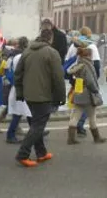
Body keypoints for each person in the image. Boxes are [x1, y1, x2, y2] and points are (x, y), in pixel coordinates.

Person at [14, 29, 66, 167]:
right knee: (38, 126)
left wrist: (20, 92)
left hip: (29, 95)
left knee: (36, 124)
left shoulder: (27, 51)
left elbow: (18, 74)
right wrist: (61, 97)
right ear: (50, 38)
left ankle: (41, 153)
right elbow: (58, 78)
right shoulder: (52, 53)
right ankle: (22, 154)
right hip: (43, 95)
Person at [65, 26, 101, 137]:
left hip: (77, 80)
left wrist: (72, 79)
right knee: (90, 104)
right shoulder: (92, 47)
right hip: (88, 81)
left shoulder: (72, 46)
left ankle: (75, 129)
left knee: (78, 103)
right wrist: (96, 85)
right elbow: (97, 66)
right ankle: (82, 126)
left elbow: (67, 61)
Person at [67, 47, 106, 145]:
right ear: (89, 55)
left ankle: (71, 139)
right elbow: (90, 81)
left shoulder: (78, 64)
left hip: (79, 91)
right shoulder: (87, 65)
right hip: (88, 94)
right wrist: (96, 91)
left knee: (75, 116)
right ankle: (97, 137)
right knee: (92, 116)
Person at [6, 37, 32, 144]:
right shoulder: (23, 57)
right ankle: (10, 135)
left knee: (27, 111)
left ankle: (36, 132)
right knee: (19, 113)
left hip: (17, 87)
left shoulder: (15, 56)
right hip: (21, 87)